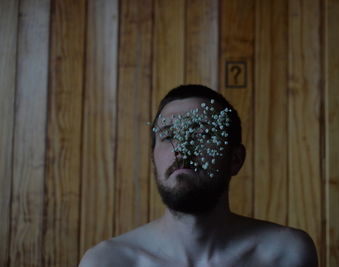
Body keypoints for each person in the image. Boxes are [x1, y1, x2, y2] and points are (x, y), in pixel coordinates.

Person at [79, 84, 318, 267]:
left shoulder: (285, 255)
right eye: (169, 135)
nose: (183, 148)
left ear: (236, 159)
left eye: (203, 133)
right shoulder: (108, 262)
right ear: (153, 158)